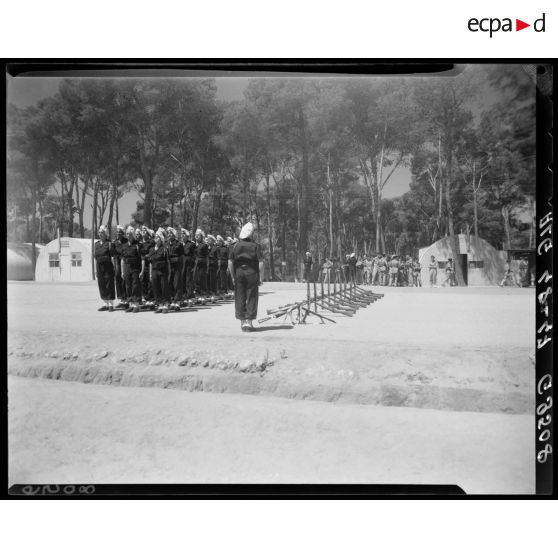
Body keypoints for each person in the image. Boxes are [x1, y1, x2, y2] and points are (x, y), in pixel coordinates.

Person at [228, 222, 264, 332]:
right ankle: (249, 323)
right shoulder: (255, 246)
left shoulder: (234, 245)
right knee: (252, 296)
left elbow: (230, 262)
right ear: (250, 234)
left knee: (240, 296)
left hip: (239, 272)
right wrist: (261, 277)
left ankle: (242, 322)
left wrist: (233, 276)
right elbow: (261, 263)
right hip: (252, 272)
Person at [148, 229, 171, 313]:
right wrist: (150, 273)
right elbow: (150, 262)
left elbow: (168, 262)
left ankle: (166, 305)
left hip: (163, 271)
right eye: (155, 237)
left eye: (158, 237)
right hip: (154, 271)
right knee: (156, 288)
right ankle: (160, 305)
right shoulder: (151, 250)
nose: (156, 238)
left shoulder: (164, 249)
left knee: (164, 288)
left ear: (161, 239)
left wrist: (169, 274)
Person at [94, 225, 116, 311]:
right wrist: (96, 270)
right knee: (101, 284)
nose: (100, 234)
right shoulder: (96, 244)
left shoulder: (110, 243)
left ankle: (110, 304)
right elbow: (95, 257)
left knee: (109, 283)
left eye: (102, 232)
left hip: (108, 266)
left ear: (106, 234)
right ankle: (105, 303)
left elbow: (113, 257)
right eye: (99, 232)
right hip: (99, 266)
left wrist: (114, 268)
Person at [121, 226, 143, 312]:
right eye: (127, 234)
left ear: (133, 234)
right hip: (126, 267)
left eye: (129, 234)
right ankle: (131, 304)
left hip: (135, 267)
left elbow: (141, 259)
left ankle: (136, 305)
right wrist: (122, 271)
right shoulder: (124, 245)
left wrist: (141, 271)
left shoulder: (137, 245)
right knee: (128, 286)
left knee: (135, 286)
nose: (128, 235)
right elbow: (122, 259)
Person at [166, 227, 184, 310]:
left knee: (177, 284)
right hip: (169, 267)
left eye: (171, 233)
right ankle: (172, 300)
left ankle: (177, 302)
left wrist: (180, 266)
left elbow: (182, 257)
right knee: (170, 283)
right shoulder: (166, 244)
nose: (169, 235)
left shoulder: (179, 244)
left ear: (174, 234)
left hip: (177, 267)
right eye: (168, 233)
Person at [113, 225, 128, 308]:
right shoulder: (115, 242)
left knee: (124, 280)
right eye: (117, 233)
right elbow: (113, 254)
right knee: (118, 280)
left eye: (120, 233)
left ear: (123, 234)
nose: (118, 234)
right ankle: (121, 299)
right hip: (117, 263)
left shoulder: (126, 241)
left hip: (125, 262)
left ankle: (126, 300)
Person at [193, 229, 209, 295]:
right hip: (195, 264)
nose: (196, 236)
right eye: (196, 235)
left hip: (202, 264)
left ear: (202, 236)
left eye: (198, 235)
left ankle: (203, 293)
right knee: (195, 278)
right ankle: (197, 292)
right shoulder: (194, 245)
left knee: (201, 278)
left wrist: (207, 266)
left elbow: (207, 257)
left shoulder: (204, 245)